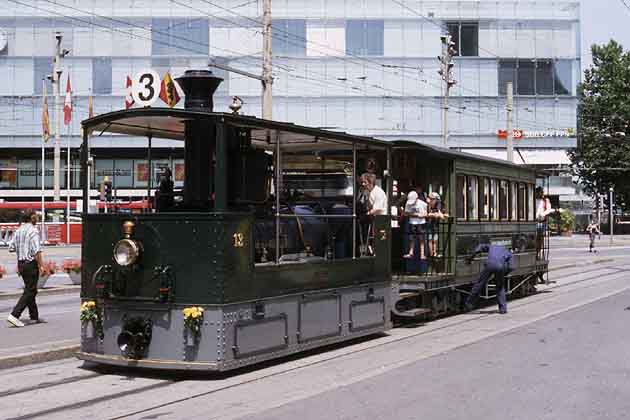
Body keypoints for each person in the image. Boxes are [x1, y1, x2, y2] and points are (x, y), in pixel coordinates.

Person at [7, 210, 46, 327]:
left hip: (21, 264)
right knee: (31, 290)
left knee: (30, 288)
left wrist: (20, 259)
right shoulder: (33, 230)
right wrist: (41, 265)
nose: (38, 218)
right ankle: (14, 315)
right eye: (36, 216)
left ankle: (34, 316)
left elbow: (11, 247)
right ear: (31, 217)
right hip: (30, 264)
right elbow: (37, 250)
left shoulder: (18, 230)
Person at [464, 243, 514, 314]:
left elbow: (480, 246)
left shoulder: (492, 246)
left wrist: (471, 257)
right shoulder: (508, 252)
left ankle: (468, 305)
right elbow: (511, 267)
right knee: (500, 287)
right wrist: (504, 273)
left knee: (479, 284)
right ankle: (503, 309)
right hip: (500, 267)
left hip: (489, 264)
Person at [403, 191, 428, 259]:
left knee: (421, 239)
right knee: (411, 238)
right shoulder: (408, 204)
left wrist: (421, 215)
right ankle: (411, 252)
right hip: (412, 222)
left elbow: (426, 214)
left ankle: (422, 254)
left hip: (421, 223)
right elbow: (406, 213)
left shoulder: (423, 204)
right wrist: (416, 215)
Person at [426, 192, 445, 257]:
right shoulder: (427, 204)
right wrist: (434, 214)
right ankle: (431, 253)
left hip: (435, 224)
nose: (432, 200)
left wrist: (440, 214)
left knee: (435, 239)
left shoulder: (438, 204)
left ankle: (434, 253)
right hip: (429, 224)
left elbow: (440, 213)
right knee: (430, 238)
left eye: (433, 199)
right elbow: (427, 213)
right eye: (431, 199)